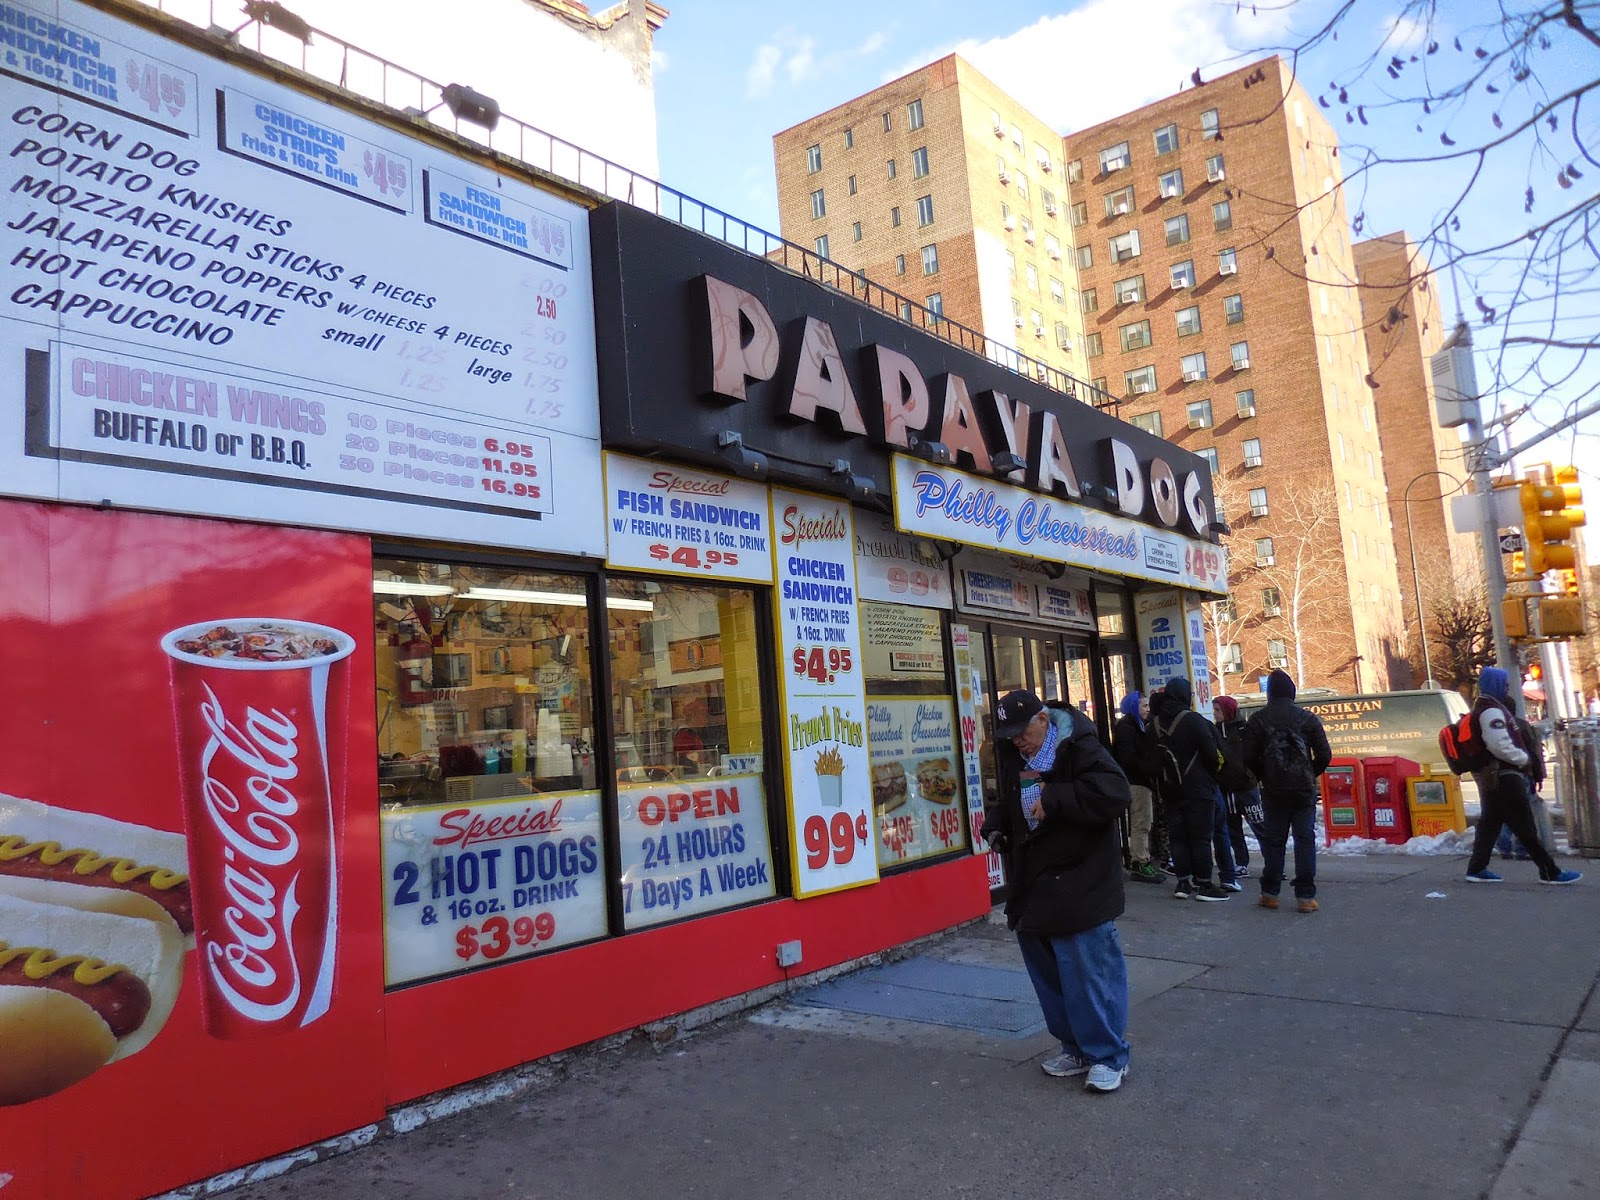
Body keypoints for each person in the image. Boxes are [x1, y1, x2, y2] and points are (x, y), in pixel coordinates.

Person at [985, 689, 1132, 1093]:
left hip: (1081, 883)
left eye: (1022, 731)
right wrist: (998, 822)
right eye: (1009, 734)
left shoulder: (1080, 747)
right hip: (1034, 886)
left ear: (1043, 720)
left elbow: (1115, 793)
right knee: (1051, 978)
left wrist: (1055, 799)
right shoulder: (1017, 755)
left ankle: (1108, 1055)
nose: (1017, 740)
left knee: (1090, 974)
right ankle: (1076, 1048)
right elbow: (1013, 800)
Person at [1464, 667, 1581, 885]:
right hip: (1506, 776)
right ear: (1496, 685)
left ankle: (1477, 868)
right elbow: (1499, 744)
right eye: (1505, 685)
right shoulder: (1491, 711)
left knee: (1490, 825)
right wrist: (1523, 759)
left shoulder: (1485, 707)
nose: (1507, 689)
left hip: (1495, 777)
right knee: (1524, 827)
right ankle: (1550, 871)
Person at [1242, 669, 1332, 913]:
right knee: (1305, 839)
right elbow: (1325, 754)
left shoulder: (1258, 719)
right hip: (1303, 789)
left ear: (1269, 693)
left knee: (1275, 840)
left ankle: (1270, 893)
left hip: (1274, 789)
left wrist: (1263, 775)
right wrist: (1310, 773)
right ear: (1292, 692)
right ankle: (1305, 897)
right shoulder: (1308, 719)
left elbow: (1247, 755)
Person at [1150, 677, 1230, 902]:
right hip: (1198, 789)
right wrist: (1212, 776)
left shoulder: (1155, 724)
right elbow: (1213, 755)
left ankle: (1183, 883)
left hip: (1169, 790)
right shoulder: (1194, 721)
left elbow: (1150, 760)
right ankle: (1204, 883)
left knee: (1178, 838)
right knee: (1201, 837)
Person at [1111, 691, 1165, 883]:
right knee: (1141, 821)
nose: (1147, 710)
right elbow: (1129, 757)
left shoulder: (1135, 725)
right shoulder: (1127, 728)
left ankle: (1140, 859)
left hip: (1138, 780)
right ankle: (1140, 861)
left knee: (1143, 821)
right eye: (1143, 706)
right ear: (1134, 707)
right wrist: (1149, 767)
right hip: (1136, 781)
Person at [1213, 695, 1264, 877]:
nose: (1215, 714)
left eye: (1218, 710)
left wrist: (1252, 775)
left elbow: (1257, 754)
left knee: (1259, 824)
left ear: (1228, 710)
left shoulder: (1244, 729)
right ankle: (1242, 863)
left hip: (1247, 787)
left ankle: (1274, 862)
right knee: (1233, 828)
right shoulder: (1216, 731)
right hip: (1227, 789)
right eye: (1214, 710)